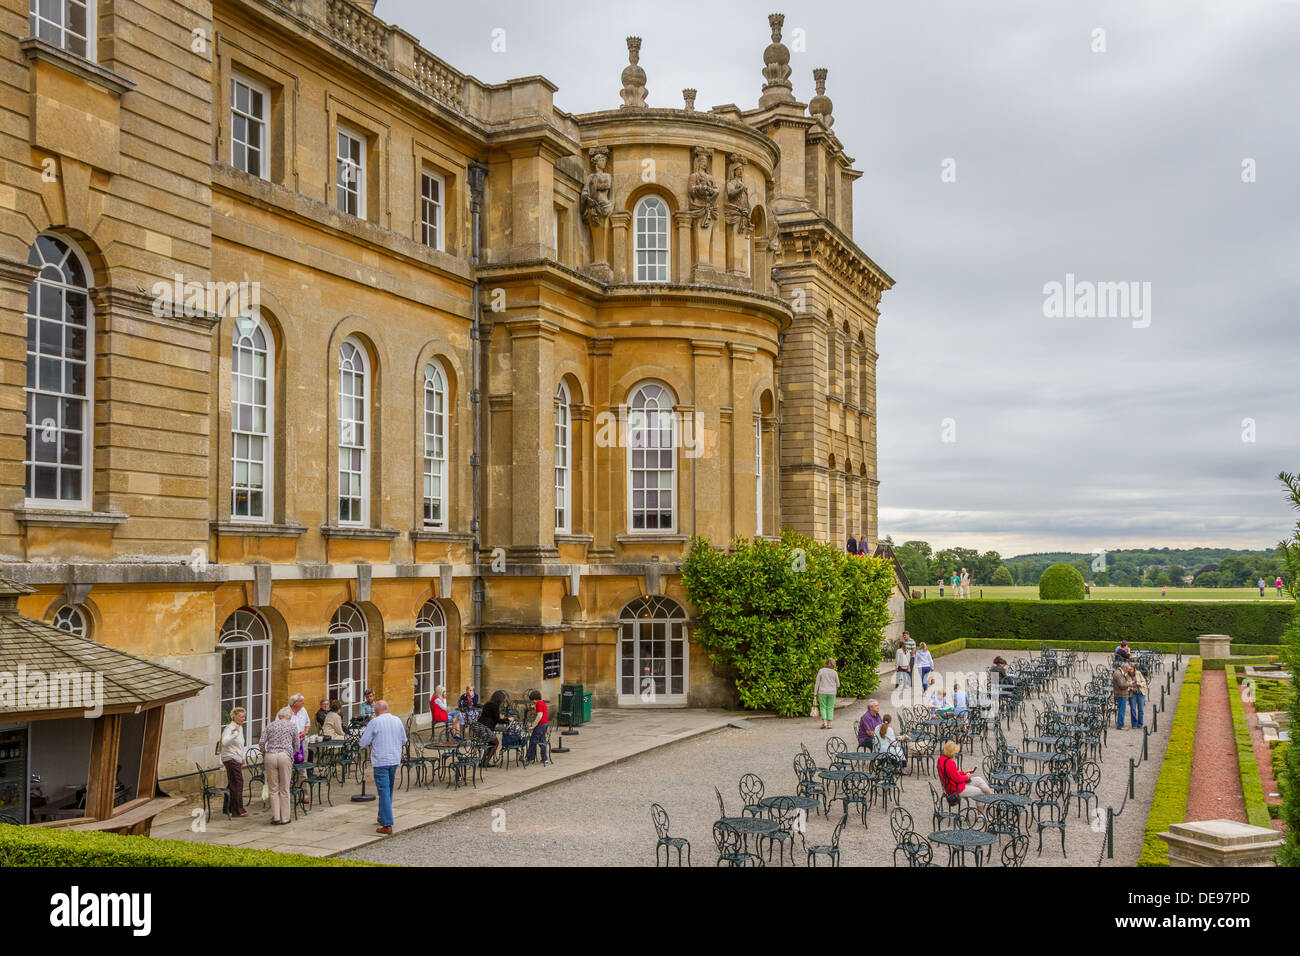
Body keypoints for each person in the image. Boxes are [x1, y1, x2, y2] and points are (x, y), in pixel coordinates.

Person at [360, 699, 406, 834]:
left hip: (381, 760)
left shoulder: (375, 722)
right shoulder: (397, 720)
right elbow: (404, 740)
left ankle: (387, 823)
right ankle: (382, 815)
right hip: (394, 758)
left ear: (377, 710)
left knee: (384, 791)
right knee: (389, 790)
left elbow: (363, 742)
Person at [259, 707, 298, 825]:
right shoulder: (292, 726)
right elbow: (296, 744)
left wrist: (264, 753)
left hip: (270, 756)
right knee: (284, 788)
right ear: (289, 717)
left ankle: (275, 817)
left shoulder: (270, 725)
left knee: (273, 789)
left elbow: (261, 743)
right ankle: (285, 818)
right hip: (284, 756)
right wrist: (292, 755)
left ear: (279, 716)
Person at [218, 707, 248, 817]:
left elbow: (241, 745)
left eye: (244, 716)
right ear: (234, 717)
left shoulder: (239, 727)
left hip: (236, 758)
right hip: (230, 758)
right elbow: (224, 742)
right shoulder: (229, 728)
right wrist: (234, 734)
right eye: (241, 717)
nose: (243, 719)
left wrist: (242, 757)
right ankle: (237, 810)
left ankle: (228, 808)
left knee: (232, 783)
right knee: (238, 783)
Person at [477, 690, 508, 766]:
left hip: (480, 727)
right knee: (496, 743)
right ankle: (485, 763)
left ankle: (483, 762)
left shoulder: (487, 703)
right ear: (499, 699)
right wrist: (508, 719)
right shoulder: (495, 706)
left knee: (490, 743)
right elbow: (497, 720)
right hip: (486, 729)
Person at [524, 689, 550, 766]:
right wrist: (534, 708)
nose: (532, 702)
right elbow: (541, 712)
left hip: (540, 725)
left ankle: (529, 758)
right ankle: (544, 759)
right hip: (545, 724)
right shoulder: (542, 703)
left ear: (535, 699)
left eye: (533, 700)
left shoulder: (539, 704)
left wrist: (533, 726)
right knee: (542, 741)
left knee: (533, 740)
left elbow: (539, 716)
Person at [814, 658, 840, 729]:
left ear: (826, 663)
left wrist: (815, 692)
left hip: (822, 692)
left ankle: (824, 723)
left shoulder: (821, 671)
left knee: (823, 707)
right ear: (833, 665)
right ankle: (829, 724)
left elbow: (817, 683)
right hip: (832, 692)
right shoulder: (834, 673)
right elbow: (838, 684)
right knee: (830, 707)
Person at [1113, 663, 1133, 729]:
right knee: (1122, 710)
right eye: (1127, 670)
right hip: (1121, 694)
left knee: (1121, 710)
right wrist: (1129, 684)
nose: (1128, 671)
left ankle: (1121, 724)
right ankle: (1120, 725)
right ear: (1124, 668)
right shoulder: (1118, 674)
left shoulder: (1119, 672)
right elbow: (1121, 685)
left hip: (1121, 693)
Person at [1128, 664, 1147, 729]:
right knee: (1133, 709)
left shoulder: (1138, 673)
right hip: (1132, 693)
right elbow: (1126, 684)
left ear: (1134, 669)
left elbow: (1144, 681)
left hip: (1140, 693)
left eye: (1131, 669)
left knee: (1140, 709)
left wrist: (1140, 684)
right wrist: (1130, 688)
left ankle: (1140, 724)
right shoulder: (1127, 675)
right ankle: (1134, 724)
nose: (1130, 671)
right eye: (1129, 669)